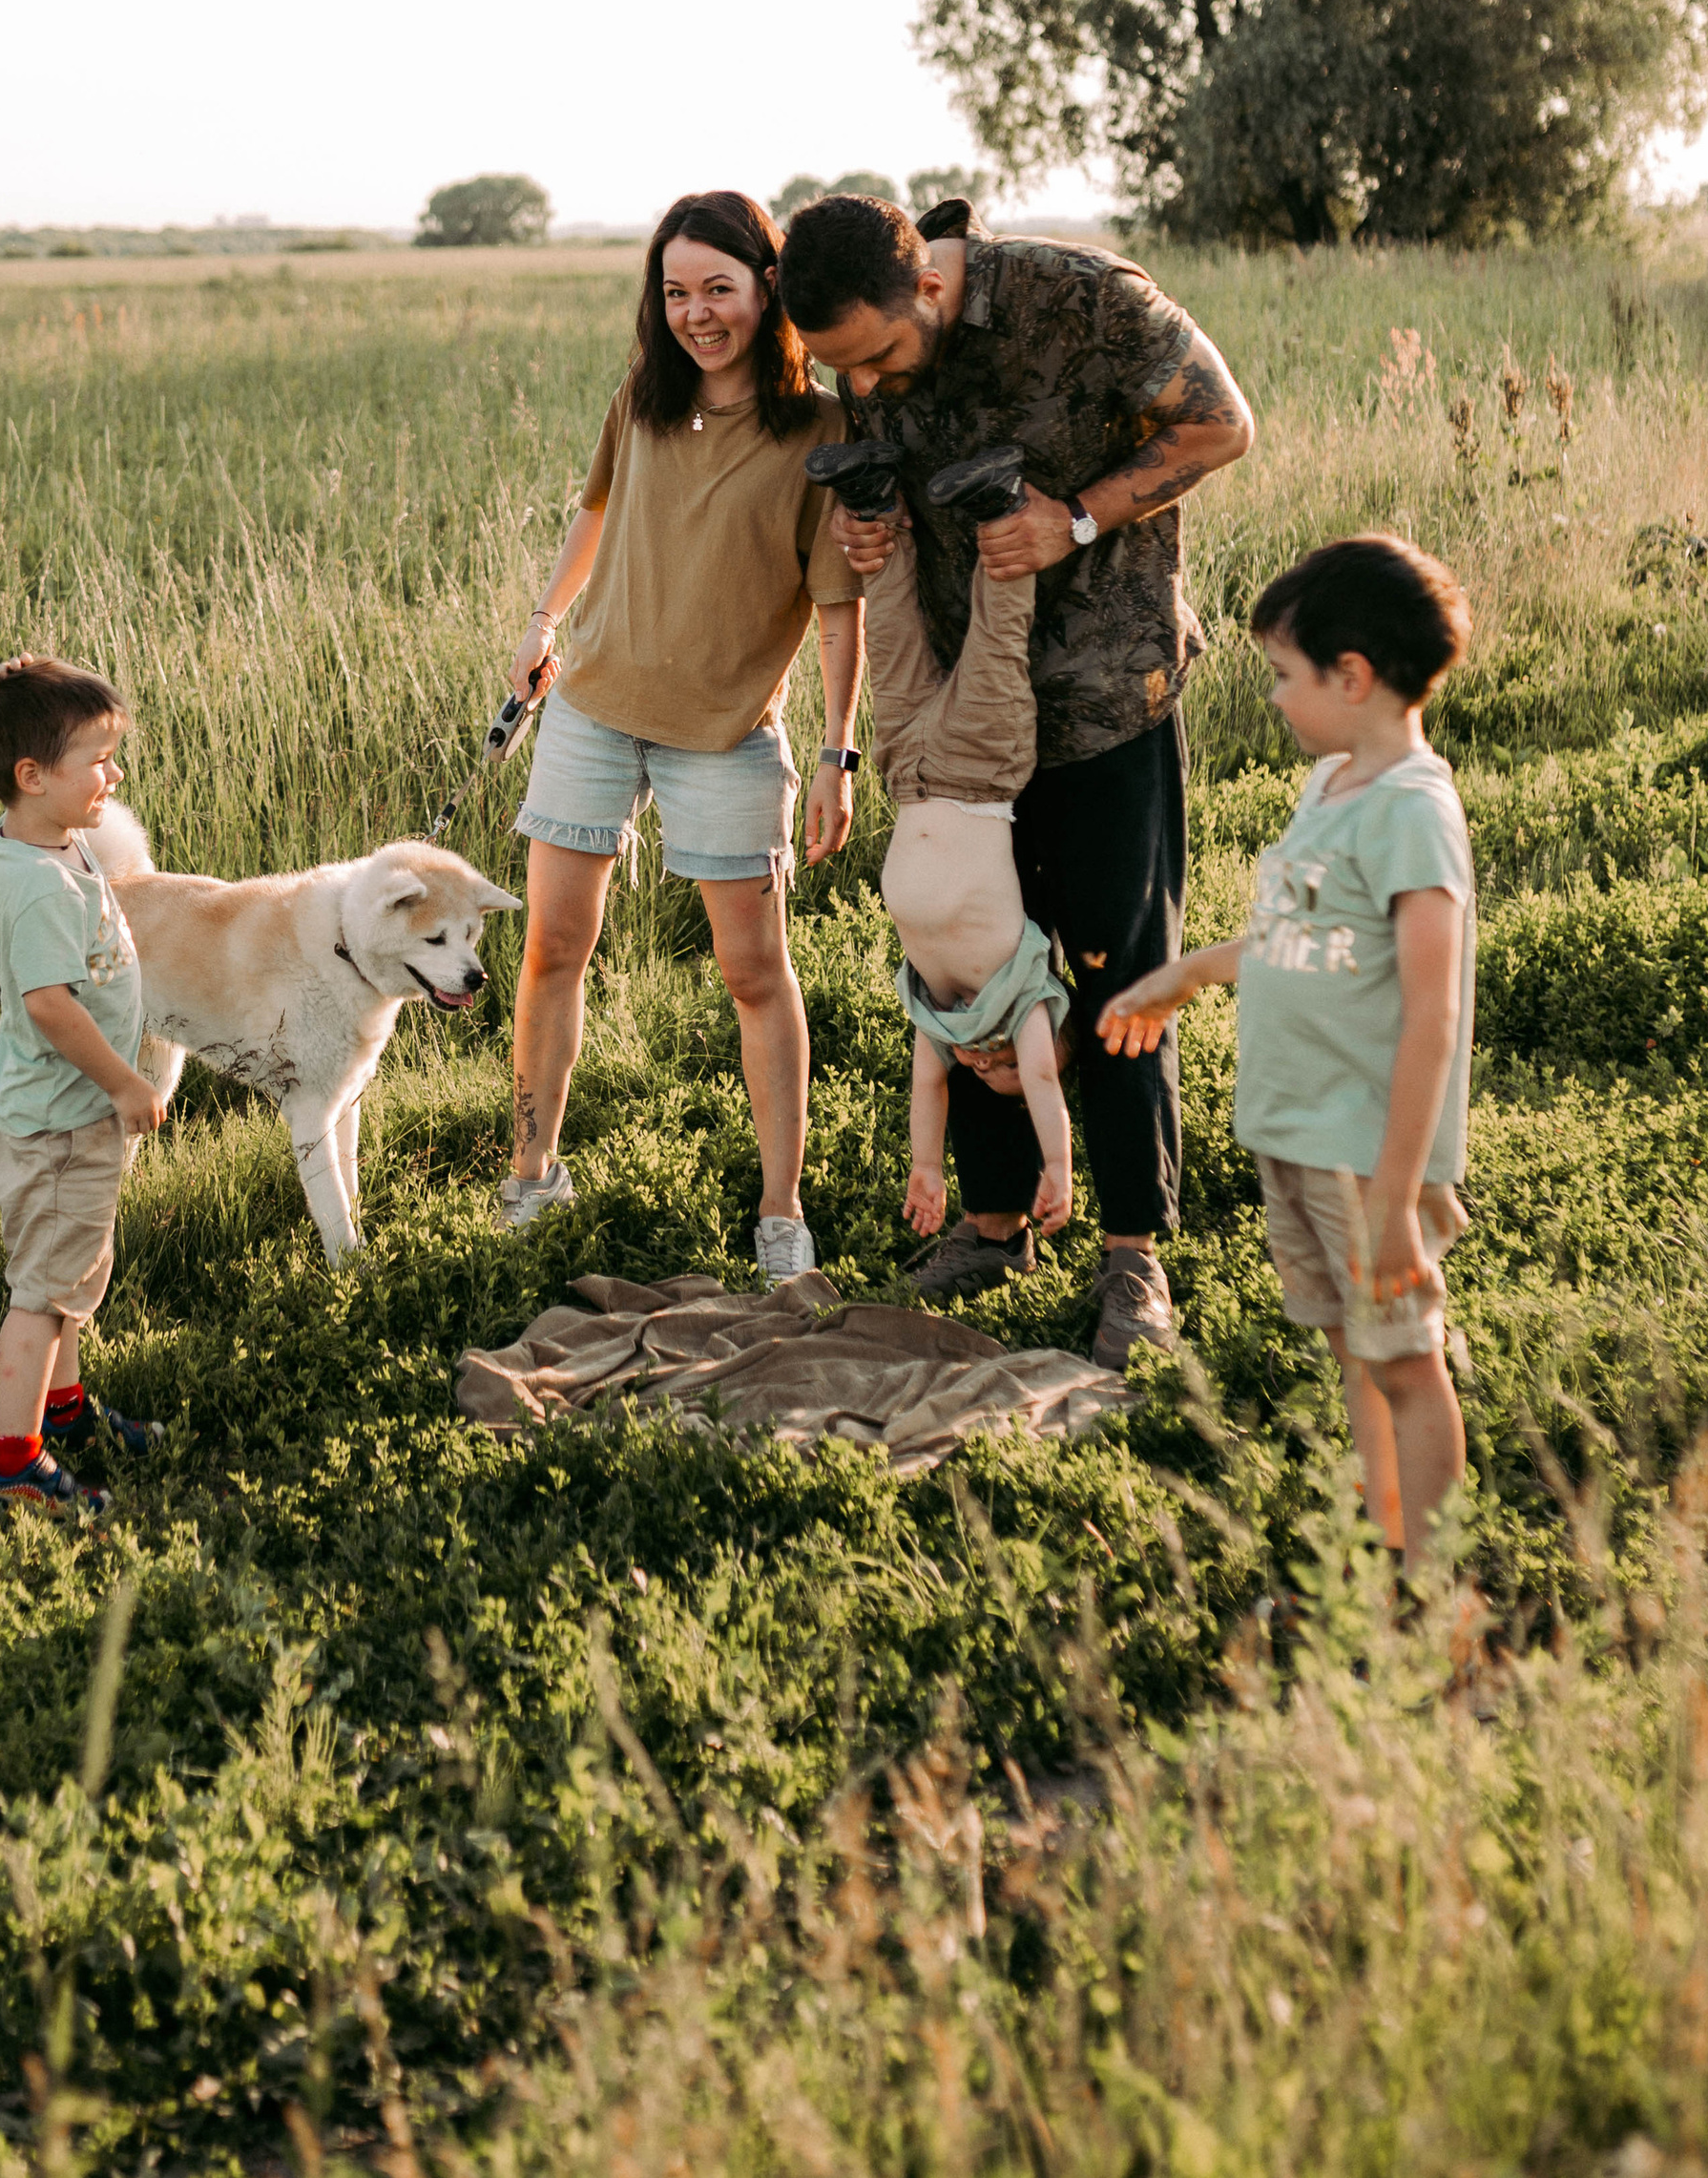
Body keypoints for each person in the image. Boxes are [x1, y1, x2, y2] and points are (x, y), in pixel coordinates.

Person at [778, 192, 1254, 1364]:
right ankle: (992, 1226)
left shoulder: (1081, 298)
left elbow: (1220, 427)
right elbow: (883, 468)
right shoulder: (862, 353)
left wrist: (1078, 521)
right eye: (848, 374)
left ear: (928, 289)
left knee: (1116, 975)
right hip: (962, 714)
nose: (871, 388)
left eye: (881, 358)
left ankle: (1132, 1255)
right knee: (973, 967)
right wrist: (870, 546)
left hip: (1100, 693)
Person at [502, 191, 866, 1281]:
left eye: (718, 288)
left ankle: (781, 1211)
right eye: (675, 292)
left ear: (768, 288)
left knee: (755, 970)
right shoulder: (643, 399)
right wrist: (542, 619)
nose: (696, 313)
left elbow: (841, 609)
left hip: (728, 733)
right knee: (551, 949)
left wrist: (839, 756)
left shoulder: (821, 432)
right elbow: (597, 508)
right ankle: (531, 1176)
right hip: (593, 711)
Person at [1098, 537, 1476, 1567]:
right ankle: (1380, 1544)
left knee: (1402, 1361)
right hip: (1302, 1134)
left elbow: (1432, 1014)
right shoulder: (1333, 785)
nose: (1273, 698)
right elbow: (1303, 931)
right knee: (1354, 1352)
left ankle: (1429, 1579)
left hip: (1367, 1155)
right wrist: (1188, 972)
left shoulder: (1410, 812)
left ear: (1350, 677)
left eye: (1282, 675)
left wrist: (1398, 1201)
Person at [804, 438, 1074, 1267]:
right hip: (984, 773)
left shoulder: (942, 1015)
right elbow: (1040, 1082)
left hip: (910, 775)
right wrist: (1057, 1169)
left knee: (892, 636)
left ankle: (875, 500)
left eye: (984, 1075)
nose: (986, 1067)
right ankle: (999, 502)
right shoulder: (1024, 997)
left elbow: (928, 1085)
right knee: (1000, 639)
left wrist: (928, 1168)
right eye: (1001, 1069)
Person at [0, 653, 169, 1524]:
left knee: (75, 1270)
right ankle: (9, 1464)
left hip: (66, 1120)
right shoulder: (40, 885)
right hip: (61, 1124)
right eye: (98, 760)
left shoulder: (49, 837)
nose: (113, 776)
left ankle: (64, 1409)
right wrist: (126, 1085)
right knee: (41, 1295)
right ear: (31, 776)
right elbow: (50, 1007)